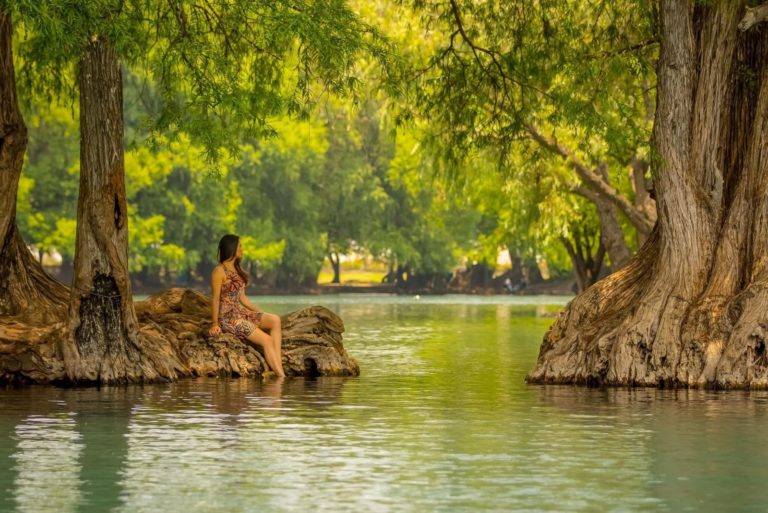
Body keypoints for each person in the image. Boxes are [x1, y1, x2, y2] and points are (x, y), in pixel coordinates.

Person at [208, 234, 286, 377]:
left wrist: (261, 314)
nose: (242, 249)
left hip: (240, 313)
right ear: (231, 248)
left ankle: (277, 365)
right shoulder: (219, 271)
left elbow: (243, 299)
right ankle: (281, 378)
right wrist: (215, 324)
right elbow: (215, 299)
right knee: (267, 340)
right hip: (228, 319)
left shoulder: (237, 270)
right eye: (240, 246)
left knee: (275, 320)